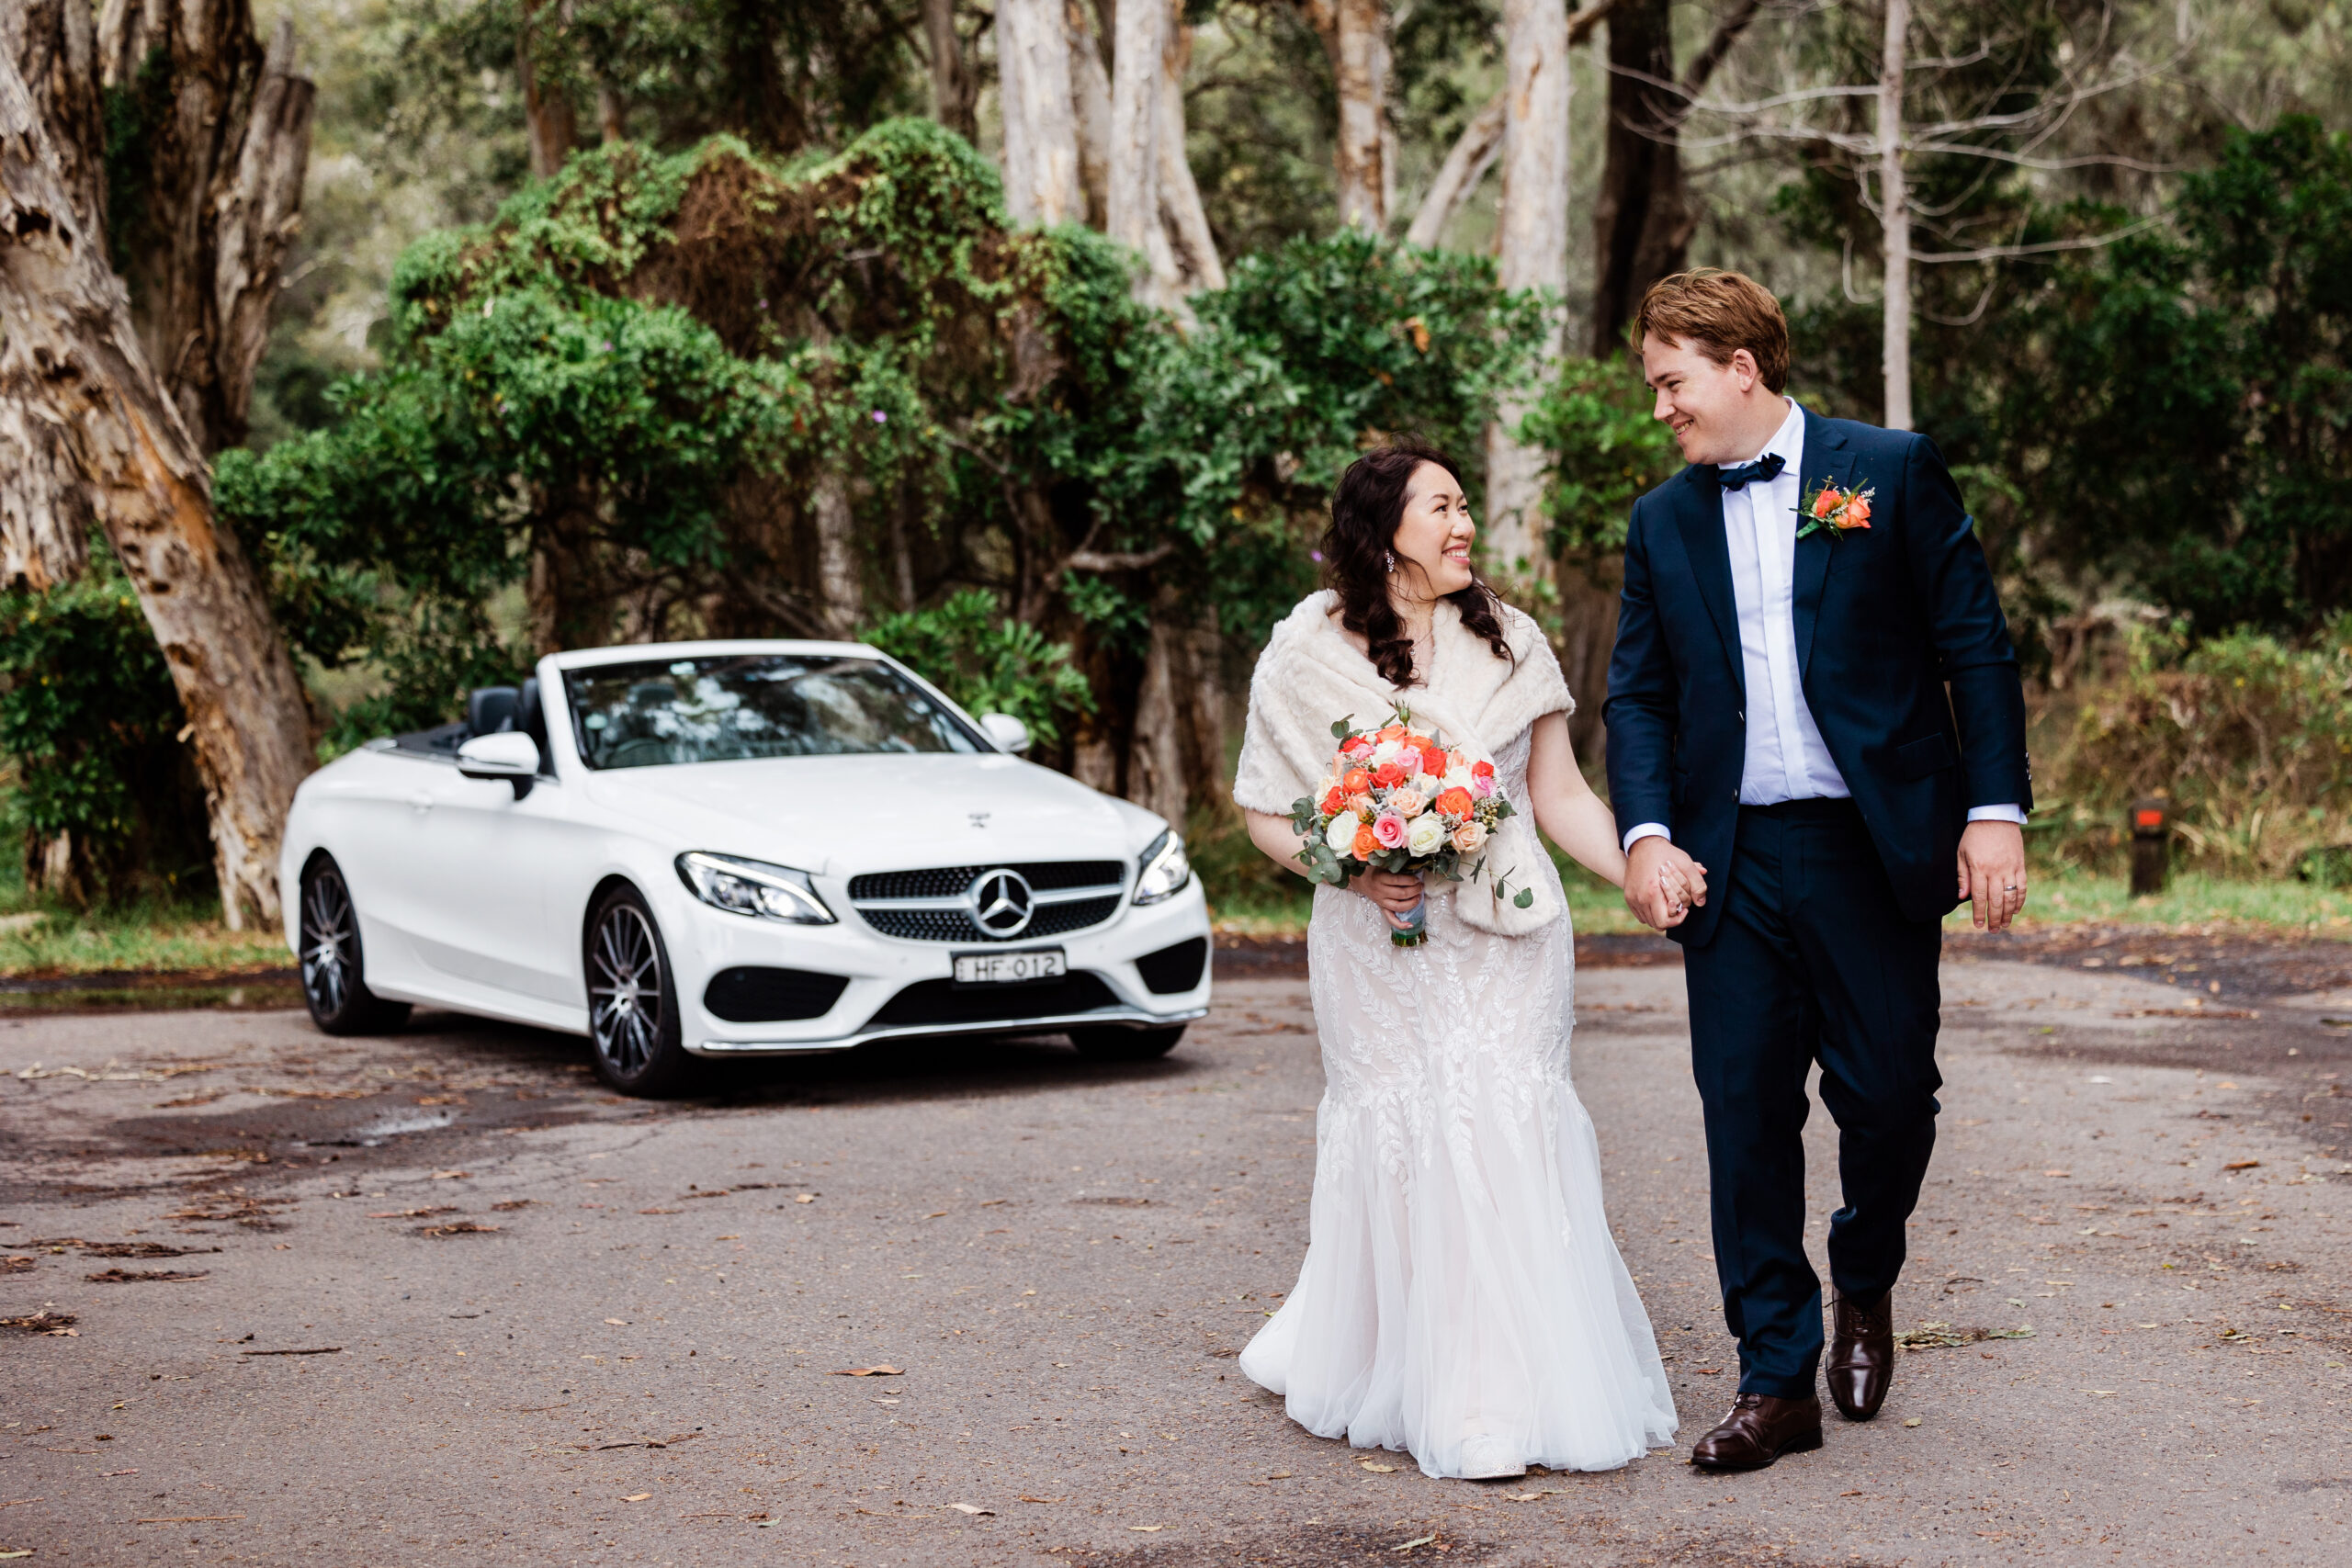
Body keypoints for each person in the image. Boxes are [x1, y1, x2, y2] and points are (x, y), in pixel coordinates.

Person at [1603, 269, 2031, 1471]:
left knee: (1892, 1095)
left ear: (1742, 366)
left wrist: (1993, 812)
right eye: (1653, 388)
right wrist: (1646, 834)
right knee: (1743, 1115)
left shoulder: (1883, 471)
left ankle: (1866, 1267)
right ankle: (1774, 1377)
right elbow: (1637, 692)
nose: (1661, 410)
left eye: (1671, 383)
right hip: (1730, 861)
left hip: (1869, 845)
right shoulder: (1661, 521)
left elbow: (1975, 650)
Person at [1229, 440, 1681, 1482]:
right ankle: (1407, 1366)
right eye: (1440, 506)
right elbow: (1262, 812)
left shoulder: (1510, 639)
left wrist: (1640, 874)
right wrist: (1348, 869)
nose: (1463, 522)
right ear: (1382, 530)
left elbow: (1558, 797)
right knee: (1409, 1130)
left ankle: (1498, 1391)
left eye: (1465, 504)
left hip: (1507, 937)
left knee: (1503, 1119)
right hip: (1377, 947)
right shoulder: (1304, 656)